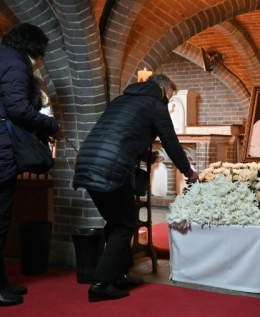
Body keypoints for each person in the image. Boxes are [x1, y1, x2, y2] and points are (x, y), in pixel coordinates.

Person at [72, 74, 199, 303]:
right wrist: (190, 173)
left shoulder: (121, 100)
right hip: (110, 167)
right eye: (168, 97)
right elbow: (171, 143)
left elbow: (121, 134)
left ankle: (118, 275)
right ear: (161, 90)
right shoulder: (154, 105)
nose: (167, 103)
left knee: (116, 221)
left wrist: (143, 154)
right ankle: (100, 284)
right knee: (124, 224)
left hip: (87, 163)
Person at [0, 23, 63, 306]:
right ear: (33, 49)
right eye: (42, 54)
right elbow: (18, 108)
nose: (41, 61)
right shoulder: (14, 64)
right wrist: (51, 126)